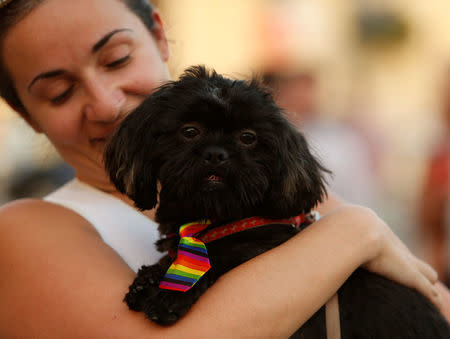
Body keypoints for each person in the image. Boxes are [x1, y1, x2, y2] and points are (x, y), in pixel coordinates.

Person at [0, 0, 447, 337]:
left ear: (159, 35)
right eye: (59, 91)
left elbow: (431, 304)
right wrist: (356, 229)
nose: (107, 103)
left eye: (117, 59)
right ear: (25, 114)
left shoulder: (273, 189)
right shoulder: (28, 231)